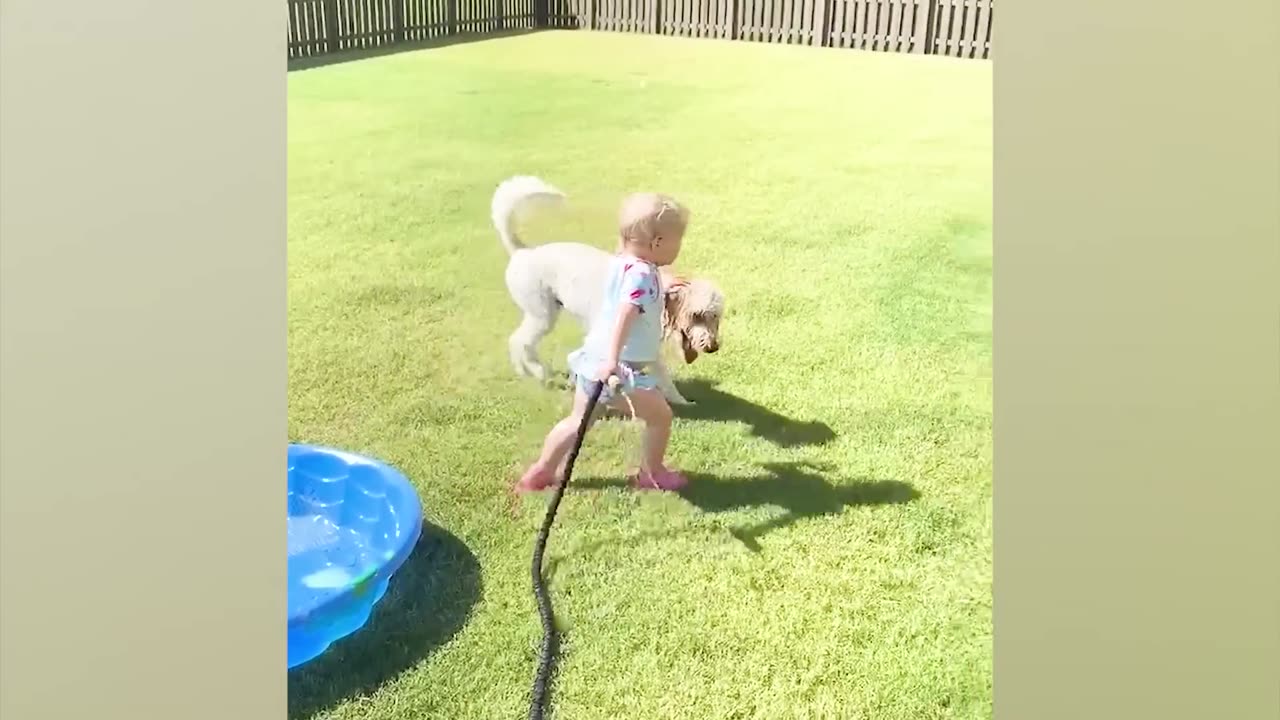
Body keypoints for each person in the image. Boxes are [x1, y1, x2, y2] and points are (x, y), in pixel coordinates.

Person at [516, 191, 691, 493]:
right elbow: (627, 312)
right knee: (660, 416)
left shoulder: (623, 263)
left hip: (591, 363)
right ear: (658, 243)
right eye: (678, 240)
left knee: (577, 421)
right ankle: (652, 474)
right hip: (618, 372)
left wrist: (661, 282)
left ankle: (541, 471)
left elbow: (636, 279)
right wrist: (613, 361)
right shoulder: (642, 276)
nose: (679, 247)